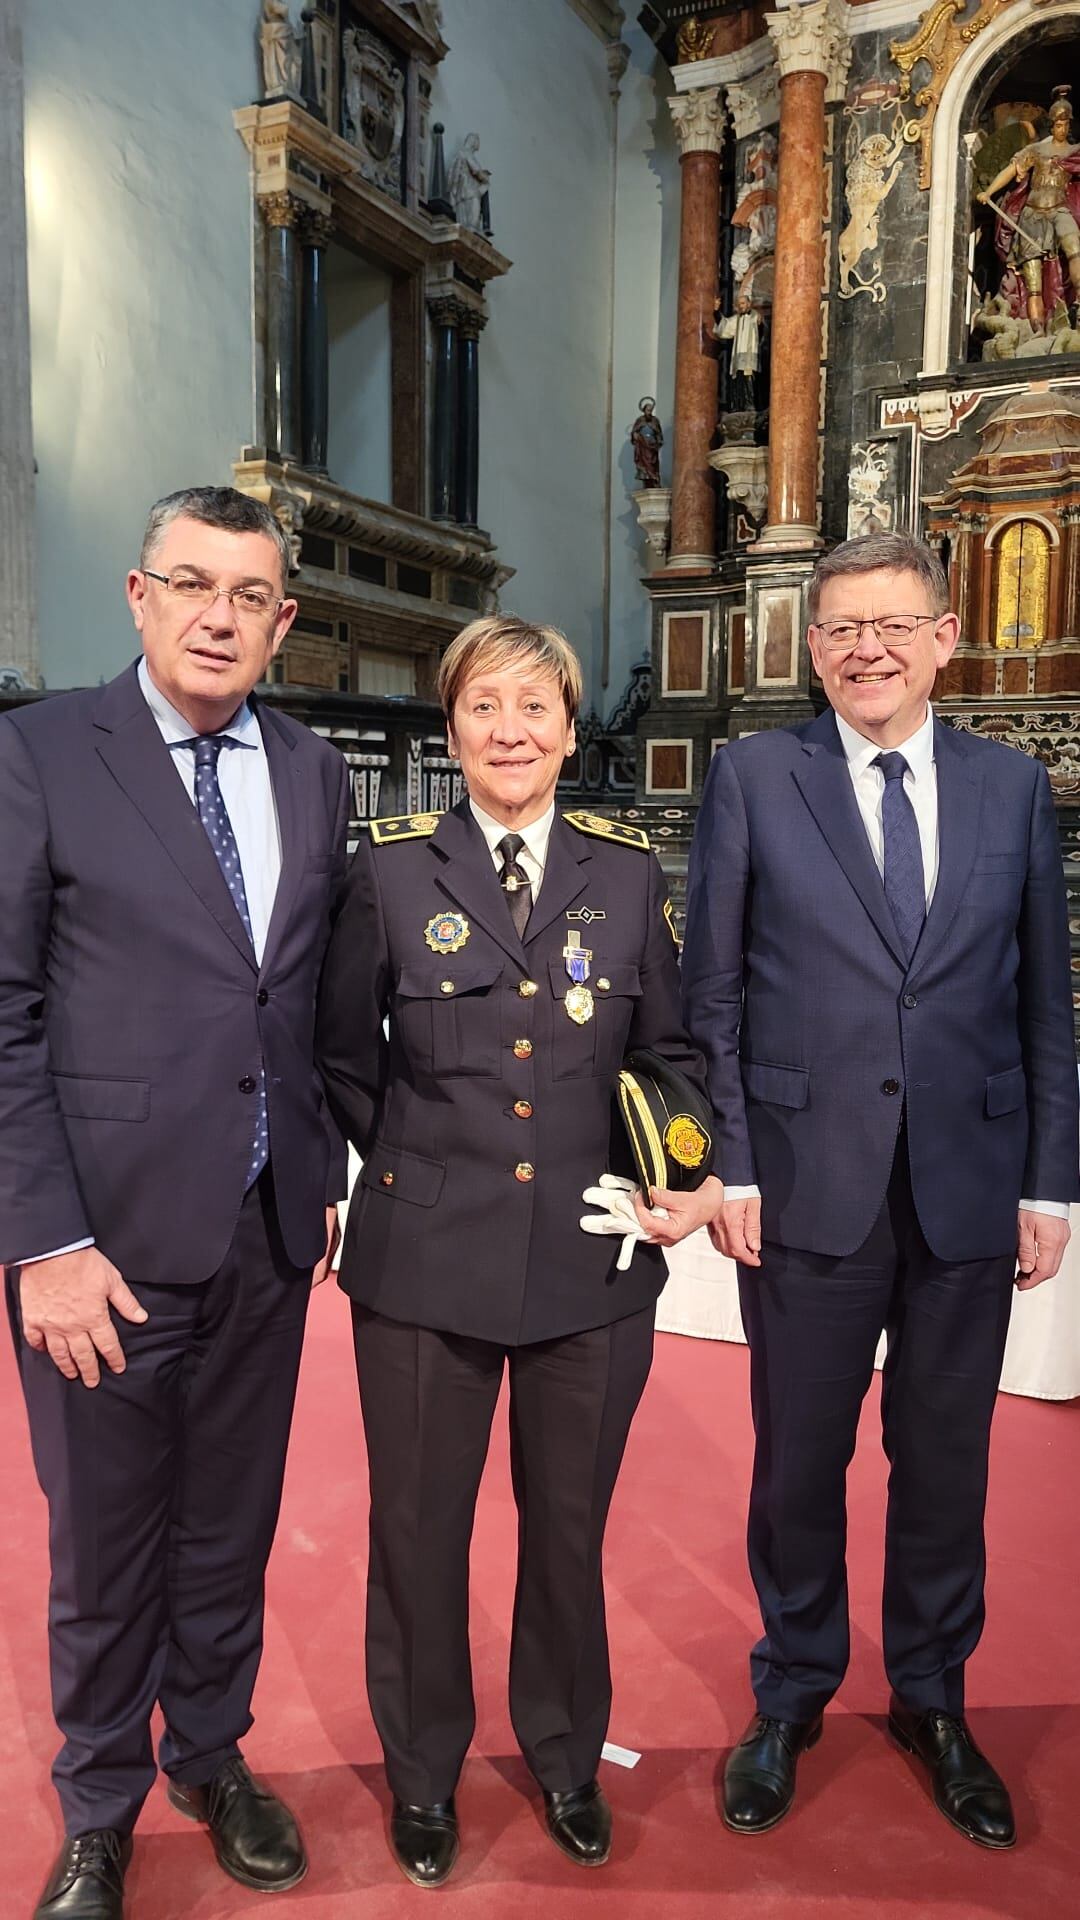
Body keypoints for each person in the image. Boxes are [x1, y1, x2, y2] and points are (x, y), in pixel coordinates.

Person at [682, 532, 1078, 1850]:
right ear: (811, 647)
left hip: (967, 1184)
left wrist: (1053, 1185)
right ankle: (790, 1692)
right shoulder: (753, 777)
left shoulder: (1013, 790)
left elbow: (1044, 1007)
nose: (868, 647)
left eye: (895, 625)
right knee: (800, 1462)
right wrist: (729, 1158)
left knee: (944, 1464)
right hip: (804, 1185)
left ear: (945, 638)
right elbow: (715, 993)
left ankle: (930, 1697)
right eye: (843, 626)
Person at [316, 614, 722, 1886]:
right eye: (486, 707)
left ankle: (560, 1753)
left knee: (567, 1531)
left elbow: (672, 1055)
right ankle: (425, 1774)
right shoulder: (387, 871)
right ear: (452, 728)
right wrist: (416, 1178)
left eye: (537, 709)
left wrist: (673, 1180)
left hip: (588, 1268)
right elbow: (341, 1056)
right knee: (420, 1531)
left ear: (565, 730)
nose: (511, 731)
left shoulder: (624, 870)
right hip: (425, 1265)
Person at [0, 487, 350, 1919]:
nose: (220, 616)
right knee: (106, 1542)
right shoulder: (38, 753)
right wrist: (45, 1241)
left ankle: (211, 1754)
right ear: (138, 598)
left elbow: (312, 999)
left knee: (228, 1526)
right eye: (192, 586)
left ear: (282, 622)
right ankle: (100, 1805)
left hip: (266, 1235)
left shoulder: (318, 772)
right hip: (105, 1246)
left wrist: (322, 1171)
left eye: (249, 595)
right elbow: (6, 1009)